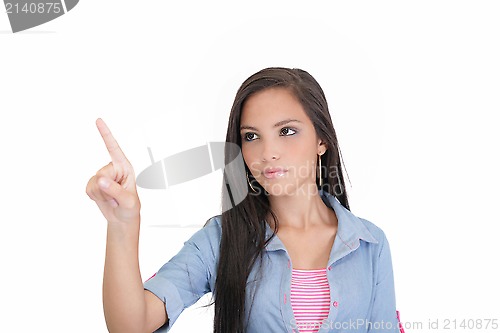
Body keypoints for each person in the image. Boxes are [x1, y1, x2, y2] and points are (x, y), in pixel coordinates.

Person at [86, 67, 404, 333]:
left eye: (287, 131)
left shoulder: (370, 244)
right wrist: (122, 225)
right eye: (251, 136)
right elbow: (131, 324)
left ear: (321, 139)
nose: (268, 153)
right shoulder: (222, 240)